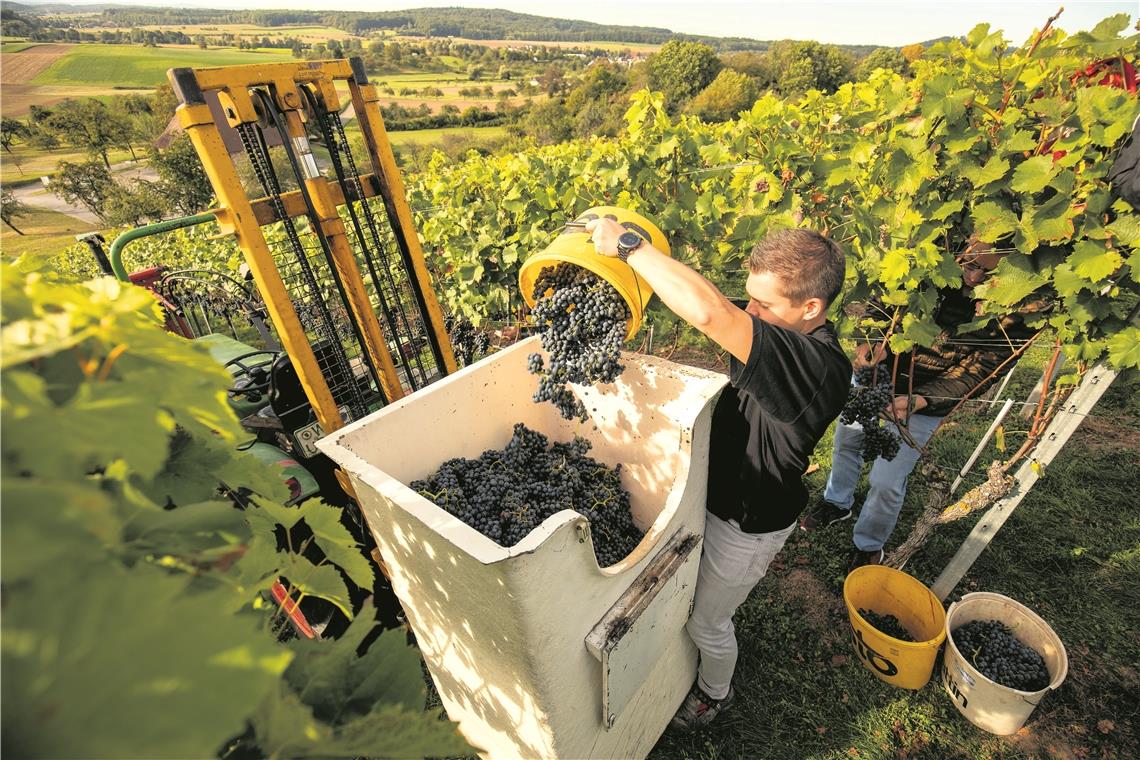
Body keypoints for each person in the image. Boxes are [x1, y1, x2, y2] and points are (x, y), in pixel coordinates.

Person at [585, 218, 851, 731]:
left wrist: (628, 246)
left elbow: (710, 312)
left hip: (748, 524)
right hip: (715, 496)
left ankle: (713, 693)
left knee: (706, 621)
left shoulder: (814, 368)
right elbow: (708, 301)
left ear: (811, 308)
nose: (750, 310)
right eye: (749, 299)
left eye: (763, 304)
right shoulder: (782, 326)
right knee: (683, 589)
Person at [800, 239, 1040, 569]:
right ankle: (837, 502)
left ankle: (870, 543)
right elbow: (877, 306)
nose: (973, 277)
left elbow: (982, 369)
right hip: (879, 376)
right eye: (969, 264)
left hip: (928, 397)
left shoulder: (1017, 307)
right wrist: (872, 343)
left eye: (987, 272)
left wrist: (922, 399)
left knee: (887, 479)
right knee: (848, 441)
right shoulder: (923, 260)